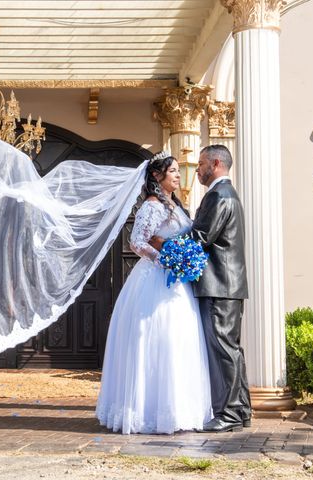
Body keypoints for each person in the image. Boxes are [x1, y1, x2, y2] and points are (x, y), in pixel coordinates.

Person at [95, 152, 212, 435]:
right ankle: (147, 411)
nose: (177, 174)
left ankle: (179, 409)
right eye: (171, 171)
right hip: (155, 280)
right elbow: (136, 242)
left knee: (178, 341)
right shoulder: (152, 205)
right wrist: (166, 260)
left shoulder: (174, 204)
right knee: (157, 339)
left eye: (177, 170)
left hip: (177, 281)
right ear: (157, 176)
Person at [187, 144, 251, 432]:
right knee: (230, 348)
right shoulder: (225, 194)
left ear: (215, 164)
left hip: (220, 286)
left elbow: (200, 237)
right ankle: (241, 410)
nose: (197, 170)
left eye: (201, 164)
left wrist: (164, 244)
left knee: (224, 349)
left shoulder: (219, 195)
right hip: (226, 285)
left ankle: (230, 413)